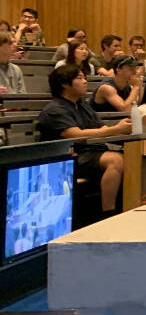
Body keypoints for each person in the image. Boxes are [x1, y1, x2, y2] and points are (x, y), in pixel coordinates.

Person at [37, 64, 131, 214]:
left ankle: (128, 207)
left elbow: (102, 129)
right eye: (79, 78)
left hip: (92, 152)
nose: (85, 81)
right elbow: (76, 135)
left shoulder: (83, 105)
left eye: (85, 77)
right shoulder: (54, 109)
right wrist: (116, 129)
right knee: (116, 160)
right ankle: (108, 214)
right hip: (69, 156)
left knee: (132, 159)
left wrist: (121, 128)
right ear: (64, 84)